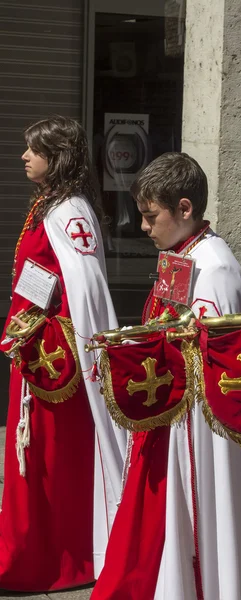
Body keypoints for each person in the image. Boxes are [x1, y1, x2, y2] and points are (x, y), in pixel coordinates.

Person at [92, 152, 241, 600]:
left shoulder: (216, 268)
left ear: (185, 209)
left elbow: (211, 360)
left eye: (151, 216)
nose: (144, 227)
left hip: (196, 430)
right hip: (171, 418)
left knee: (190, 531)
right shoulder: (183, 252)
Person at [0, 116, 127, 592]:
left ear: (56, 158)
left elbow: (85, 289)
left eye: (33, 149)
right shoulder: (49, 205)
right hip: (34, 352)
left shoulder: (69, 212)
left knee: (51, 462)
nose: (24, 157)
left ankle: (53, 559)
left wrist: (45, 335)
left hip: (57, 366)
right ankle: (30, 552)